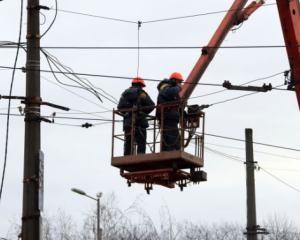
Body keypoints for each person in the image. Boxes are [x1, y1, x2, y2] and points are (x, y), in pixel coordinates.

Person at [118, 77, 155, 155]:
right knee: (141, 141)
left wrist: (127, 113)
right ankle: (141, 155)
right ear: (140, 85)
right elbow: (151, 105)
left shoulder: (124, 93)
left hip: (128, 122)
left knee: (128, 141)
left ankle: (127, 156)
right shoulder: (142, 93)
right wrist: (144, 113)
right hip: (140, 121)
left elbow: (120, 107)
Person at [157, 72, 184, 151]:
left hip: (171, 116)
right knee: (173, 136)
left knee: (172, 136)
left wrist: (183, 113)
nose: (180, 84)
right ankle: (173, 151)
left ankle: (169, 151)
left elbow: (178, 104)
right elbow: (169, 93)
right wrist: (179, 88)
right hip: (168, 115)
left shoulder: (173, 90)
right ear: (174, 80)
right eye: (179, 82)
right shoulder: (165, 86)